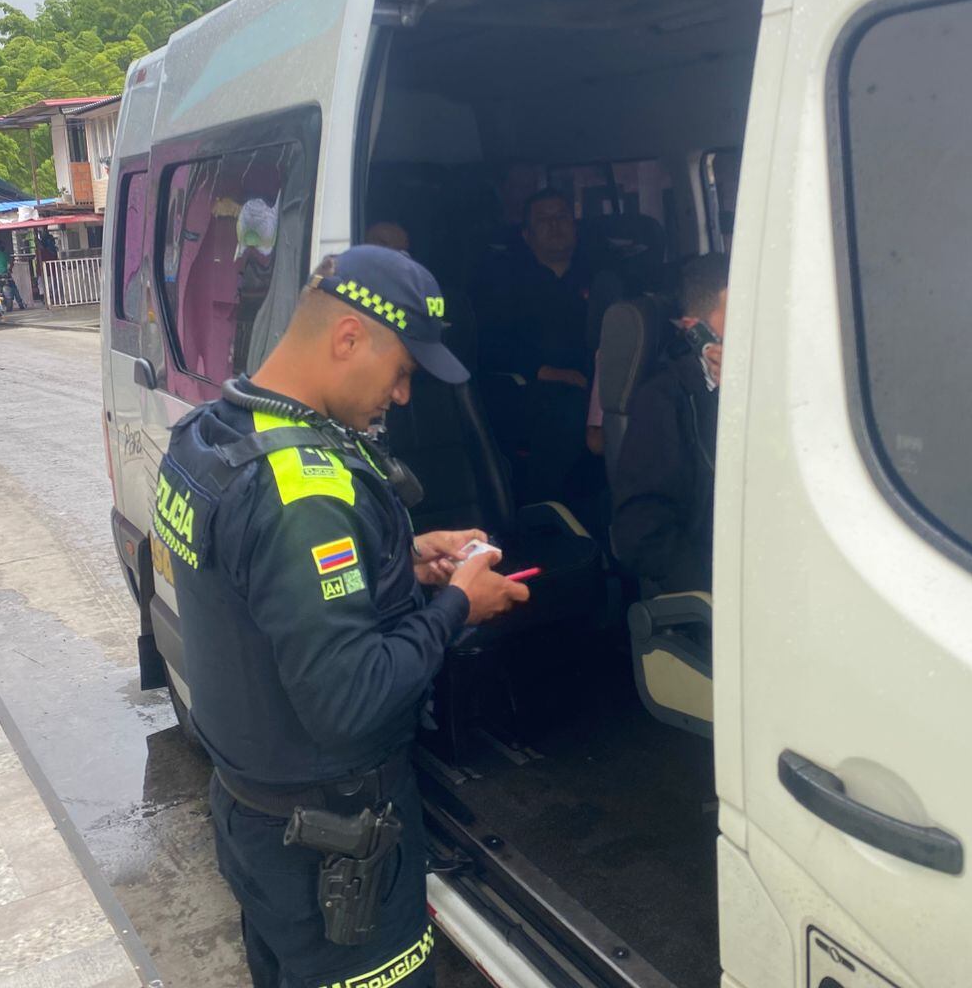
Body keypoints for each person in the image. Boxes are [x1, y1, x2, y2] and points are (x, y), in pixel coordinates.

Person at [155, 244, 528, 988]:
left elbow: (262, 593)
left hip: (254, 816)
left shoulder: (213, 436)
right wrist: (458, 604)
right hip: (333, 843)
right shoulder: (306, 496)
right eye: (403, 373)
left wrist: (404, 559)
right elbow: (350, 701)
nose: (402, 397)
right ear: (349, 338)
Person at [610, 253, 729, 599]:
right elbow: (642, 531)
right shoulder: (663, 400)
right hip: (717, 589)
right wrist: (714, 596)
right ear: (696, 331)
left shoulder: (774, 388)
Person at [475, 189, 599, 507]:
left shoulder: (601, 276)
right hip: (537, 389)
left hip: (603, 383)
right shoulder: (504, 283)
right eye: (543, 219)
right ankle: (551, 513)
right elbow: (490, 345)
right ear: (526, 235)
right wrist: (554, 373)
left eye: (562, 217)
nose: (555, 225)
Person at [0, 244, 26, 310]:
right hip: (5, 275)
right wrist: (10, 269)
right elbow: (11, 263)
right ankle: (20, 304)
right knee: (14, 288)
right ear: (2, 248)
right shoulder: (5, 254)